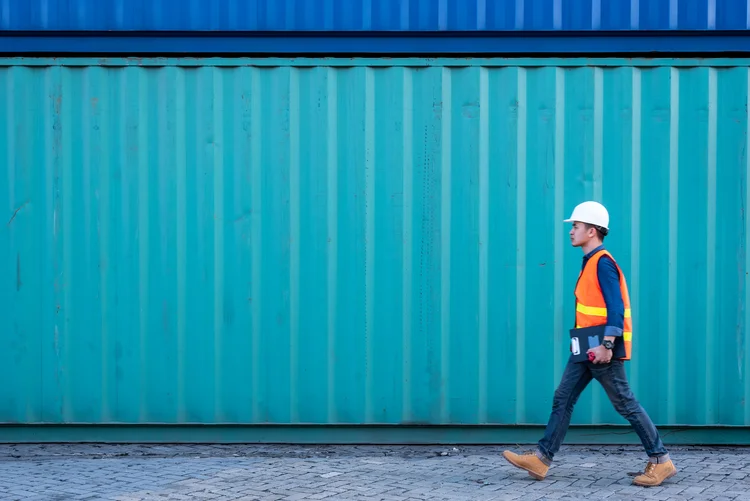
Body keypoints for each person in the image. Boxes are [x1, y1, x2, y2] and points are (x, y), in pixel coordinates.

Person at [502, 201, 677, 487]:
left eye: (576, 226)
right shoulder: (590, 261)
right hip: (584, 344)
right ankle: (542, 459)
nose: (571, 231)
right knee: (563, 398)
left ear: (592, 231)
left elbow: (615, 307)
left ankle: (661, 460)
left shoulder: (603, 262)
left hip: (599, 348)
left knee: (625, 403)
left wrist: (607, 345)